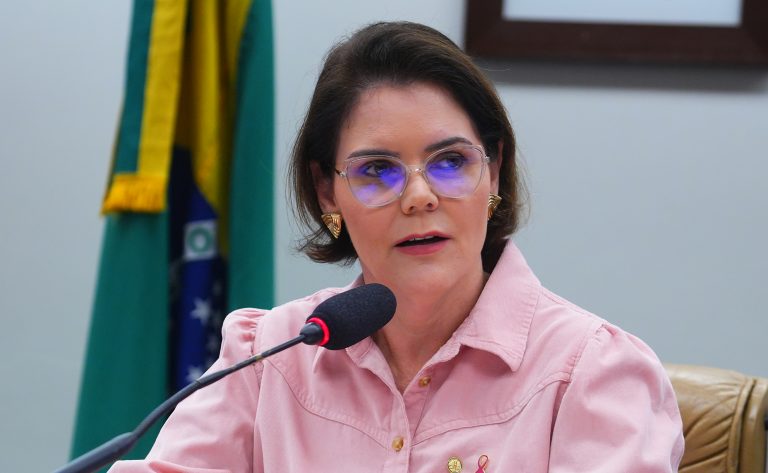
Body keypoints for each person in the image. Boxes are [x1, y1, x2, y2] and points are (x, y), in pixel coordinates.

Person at [111, 21, 684, 472]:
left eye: (451, 162)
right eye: (377, 171)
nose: (419, 197)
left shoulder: (592, 373)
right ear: (327, 191)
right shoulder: (269, 357)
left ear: (494, 171)